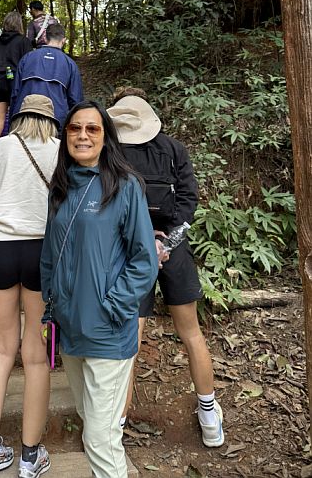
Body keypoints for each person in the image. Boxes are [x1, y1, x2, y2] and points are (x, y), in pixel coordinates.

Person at [40, 100, 158, 478]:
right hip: (70, 329)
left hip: (108, 330)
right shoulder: (60, 188)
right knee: (88, 417)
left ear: (106, 138)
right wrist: (50, 308)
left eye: (92, 129)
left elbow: (144, 260)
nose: (83, 136)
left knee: (100, 437)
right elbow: (50, 255)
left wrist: (114, 305)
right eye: (75, 128)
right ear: (65, 135)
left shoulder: (123, 187)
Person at [107, 89, 224, 448]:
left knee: (130, 340)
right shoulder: (174, 149)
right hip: (174, 250)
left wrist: (143, 241)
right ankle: (209, 418)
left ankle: (115, 426)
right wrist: (165, 243)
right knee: (191, 333)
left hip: (128, 253)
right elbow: (188, 199)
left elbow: (108, 205)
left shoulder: (111, 151)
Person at [0, 95, 60, 478]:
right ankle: (30, 457)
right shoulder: (61, 150)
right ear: (52, 121)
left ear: (18, 118)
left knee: (1, 349)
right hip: (43, 253)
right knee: (36, 356)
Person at [10, 23, 84, 132]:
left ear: (45, 38)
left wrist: (12, 123)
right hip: (55, 122)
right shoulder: (70, 64)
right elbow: (76, 101)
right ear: (64, 40)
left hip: (24, 119)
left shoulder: (27, 58)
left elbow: (15, 93)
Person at [0, 11, 33, 137]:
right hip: (16, 85)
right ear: (19, 24)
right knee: (18, 124)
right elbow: (29, 66)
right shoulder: (24, 42)